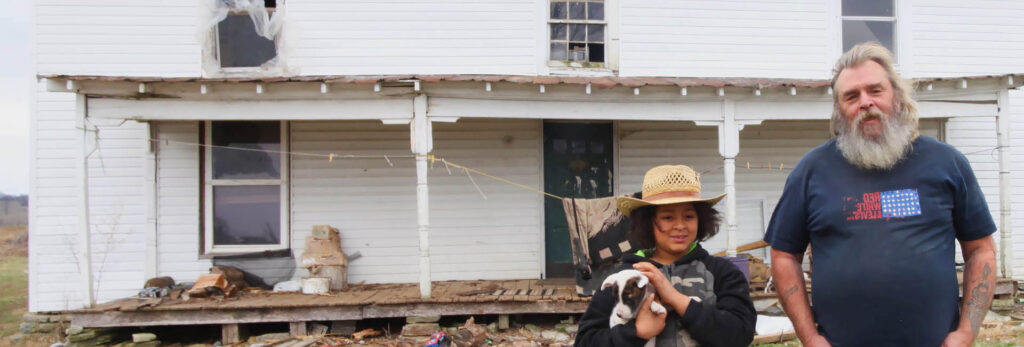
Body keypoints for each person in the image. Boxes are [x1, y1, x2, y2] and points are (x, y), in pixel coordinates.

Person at [764, 42, 997, 346]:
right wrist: (809, 337)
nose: (865, 102)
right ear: (839, 109)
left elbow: (981, 250)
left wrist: (966, 332)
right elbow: (783, 256)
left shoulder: (947, 163)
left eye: (875, 90)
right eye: (851, 96)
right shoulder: (811, 171)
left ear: (896, 97)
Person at [575, 165, 756, 347]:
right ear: (648, 222)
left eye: (689, 216)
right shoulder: (623, 277)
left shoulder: (722, 272)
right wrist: (636, 332)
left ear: (701, 220)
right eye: (668, 217)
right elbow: (585, 341)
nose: (680, 225)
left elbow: (740, 334)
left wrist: (677, 299)